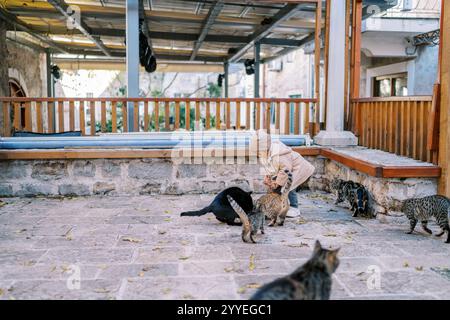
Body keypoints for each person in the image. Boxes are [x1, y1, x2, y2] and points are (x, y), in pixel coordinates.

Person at [256, 130, 315, 218]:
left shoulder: (280, 153)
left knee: (289, 187)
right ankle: (276, 206)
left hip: (299, 169)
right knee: (278, 186)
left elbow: (285, 169)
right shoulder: (268, 152)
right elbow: (269, 165)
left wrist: (277, 183)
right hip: (289, 170)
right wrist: (267, 176)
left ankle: (294, 208)